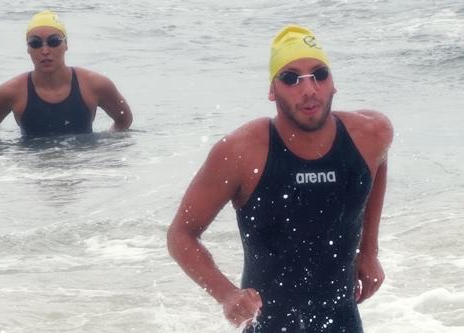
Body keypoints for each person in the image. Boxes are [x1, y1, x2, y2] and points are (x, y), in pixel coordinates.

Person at [167, 24, 393, 333]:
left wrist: (369, 252)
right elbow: (181, 234)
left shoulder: (371, 133)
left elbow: (378, 162)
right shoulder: (241, 152)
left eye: (320, 74)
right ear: (272, 91)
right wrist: (227, 295)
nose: (309, 89)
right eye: (291, 78)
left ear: (333, 84)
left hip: (343, 322)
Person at [0, 10, 132, 138]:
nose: (45, 51)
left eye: (54, 41)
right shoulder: (10, 92)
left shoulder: (95, 85)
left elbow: (124, 121)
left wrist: (104, 152)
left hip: (84, 172)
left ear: (66, 45)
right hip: (32, 173)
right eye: (35, 43)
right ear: (28, 49)